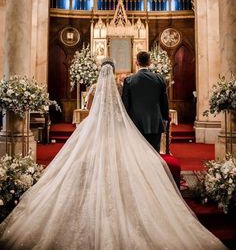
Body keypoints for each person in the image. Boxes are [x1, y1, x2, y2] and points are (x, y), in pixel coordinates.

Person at [0, 59, 227, 250]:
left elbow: (90, 110)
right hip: (116, 127)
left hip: (94, 127)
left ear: (99, 72)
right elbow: (122, 109)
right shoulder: (119, 88)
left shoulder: (94, 90)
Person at [122, 51, 169, 153]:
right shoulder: (159, 78)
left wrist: (126, 122)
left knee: (137, 154)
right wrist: (165, 119)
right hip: (155, 122)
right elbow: (164, 102)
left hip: (135, 123)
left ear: (136, 63)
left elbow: (125, 104)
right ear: (149, 62)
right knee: (154, 153)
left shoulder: (129, 80)